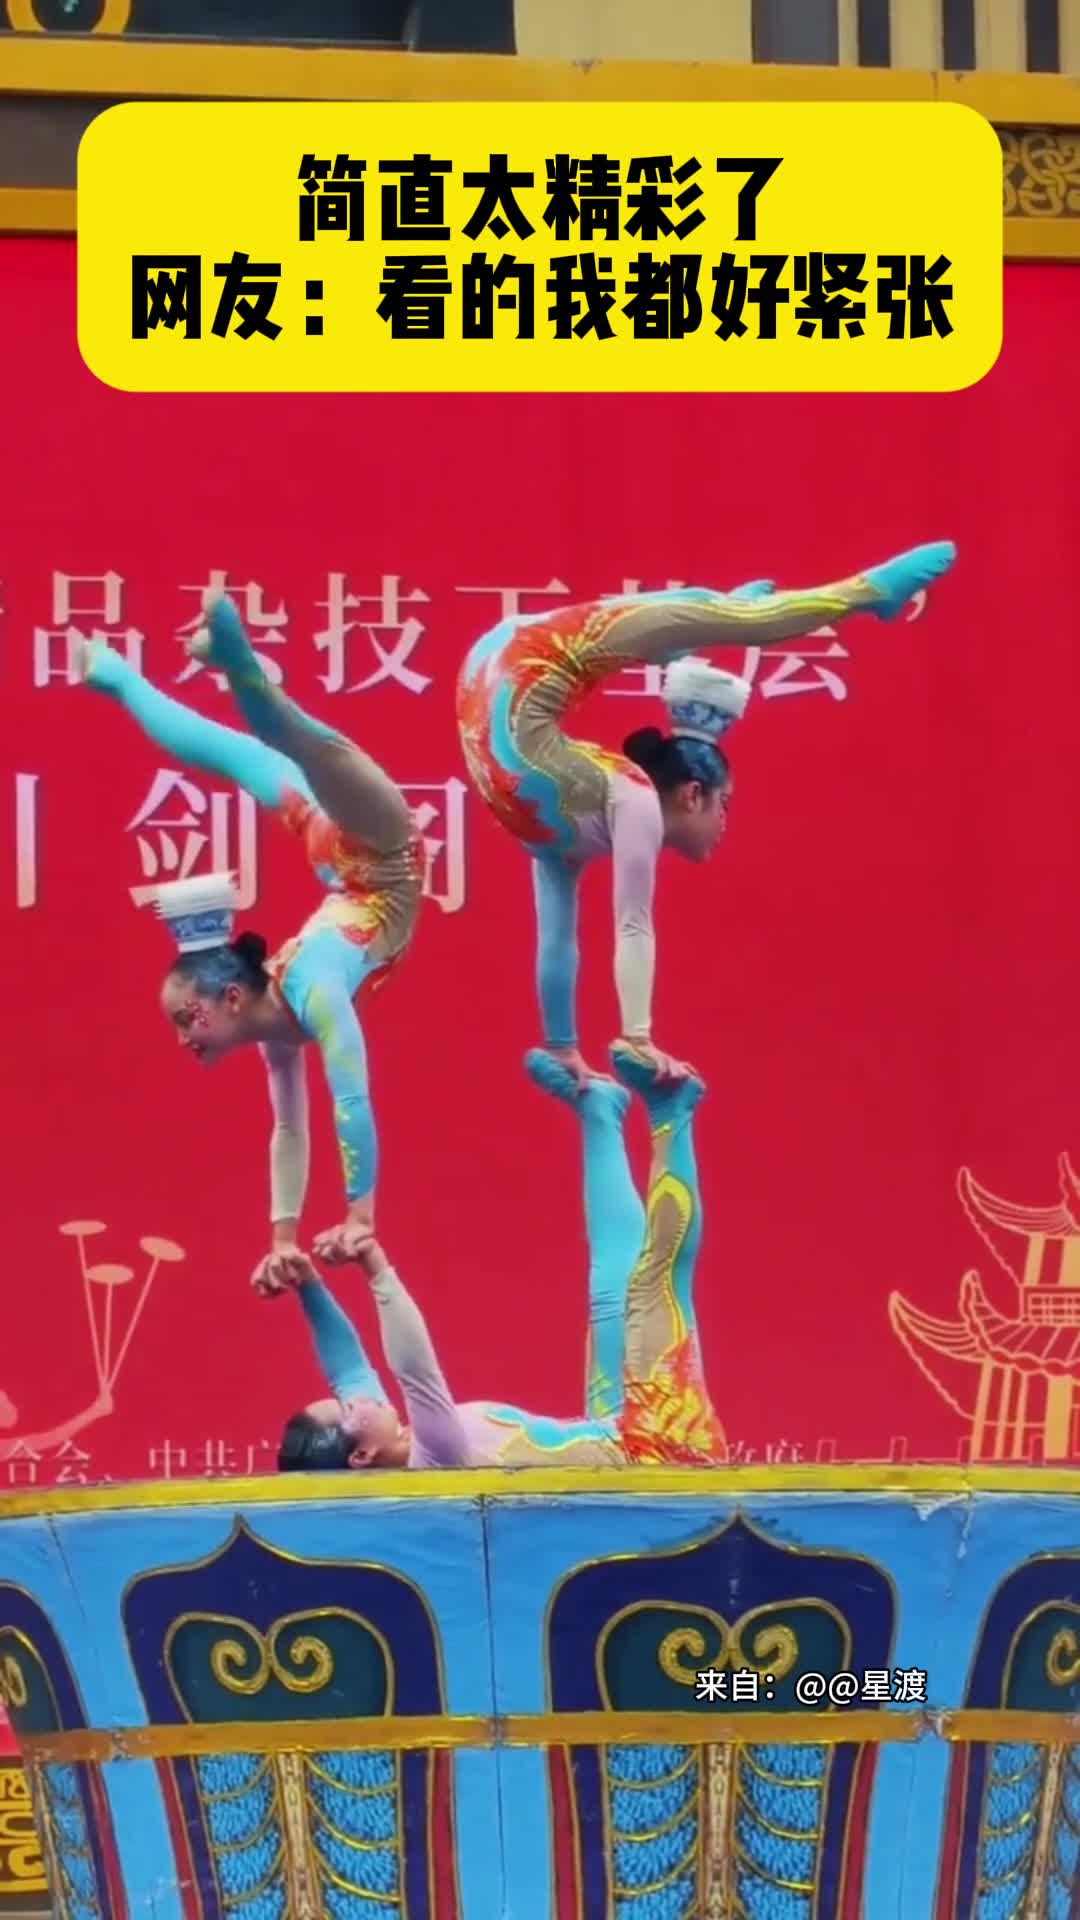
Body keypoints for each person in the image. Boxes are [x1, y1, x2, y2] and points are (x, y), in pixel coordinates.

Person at [455, 544, 956, 1083]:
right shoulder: (630, 795)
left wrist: (563, 1045)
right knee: (737, 619)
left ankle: (713, 612)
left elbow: (557, 943)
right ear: (692, 794)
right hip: (514, 666)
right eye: (724, 804)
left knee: (692, 615)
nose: (725, 824)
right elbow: (633, 922)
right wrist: (637, 1039)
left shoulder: (559, 824)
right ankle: (866, 593)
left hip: (497, 685)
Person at [77, 590, 423, 1281]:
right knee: (237, 753)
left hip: (381, 847)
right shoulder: (280, 1025)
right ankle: (118, 675)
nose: (184, 1036)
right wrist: (282, 1238)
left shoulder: (314, 987)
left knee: (291, 738)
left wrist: (361, 1216)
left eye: (187, 1016)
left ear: (231, 997)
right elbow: (289, 1129)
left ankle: (236, 660)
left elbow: (350, 1094)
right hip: (340, 854)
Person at [273, 1045, 724, 1470]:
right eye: (348, 1407)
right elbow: (415, 1369)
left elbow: (348, 1369)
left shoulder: (386, 1440)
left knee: (611, 1290)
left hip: (617, 1431)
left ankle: (599, 1113)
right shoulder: (433, 1462)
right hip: (666, 1451)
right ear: (361, 1456)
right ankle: (673, 1110)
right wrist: (374, 1265)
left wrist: (307, 1283)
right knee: (652, 1284)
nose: (356, 1395)